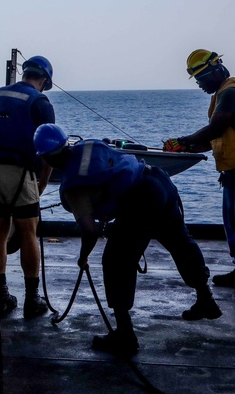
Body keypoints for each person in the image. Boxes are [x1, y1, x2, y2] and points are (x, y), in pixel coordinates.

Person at [35, 124, 222, 357]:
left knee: (115, 262)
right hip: (157, 179)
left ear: (46, 159)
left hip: (141, 199)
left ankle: (125, 334)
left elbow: (90, 230)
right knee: (180, 242)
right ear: (67, 143)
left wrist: (83, 256)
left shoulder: (74, 187)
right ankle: (205, 298)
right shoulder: (88, 145)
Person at [164, 50, 235, 299]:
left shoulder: (232, 91)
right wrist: (191, 146)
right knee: (233, 220)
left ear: (214, 72)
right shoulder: (222, 94)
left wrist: (183, 140)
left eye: (201, 80)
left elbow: (217, 126)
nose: (200, 85)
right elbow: (223, 134)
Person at [0, 55, 56, 318]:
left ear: (24, 73)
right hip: (20, 172)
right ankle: (33, 299)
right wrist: (42, 181)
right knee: (28, 230)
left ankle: (1, 296)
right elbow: (50, 147)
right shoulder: (40, 101)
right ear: (43, 80)